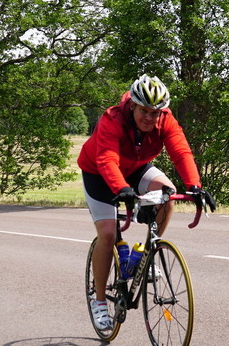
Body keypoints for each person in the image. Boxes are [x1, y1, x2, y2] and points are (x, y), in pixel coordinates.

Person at [77, 74, 214, 330]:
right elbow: (106, 159)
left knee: (167, 195)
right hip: (99, 171)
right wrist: (122, 190)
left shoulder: (166, 120)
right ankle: (99, 301)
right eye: (144, 111)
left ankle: (144, 254)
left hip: (136, 168)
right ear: (133, 106)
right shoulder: (113, 119)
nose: (149, 118)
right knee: (107, 234)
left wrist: (195, 187)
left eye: (155, 112)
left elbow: (181, 151)